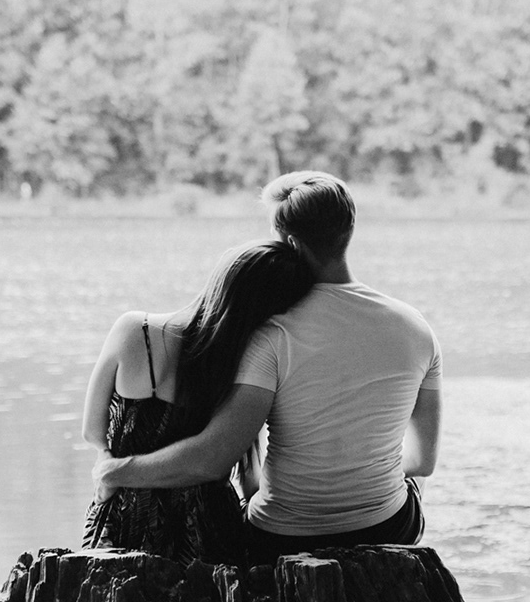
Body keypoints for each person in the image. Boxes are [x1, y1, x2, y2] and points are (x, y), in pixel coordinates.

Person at [92, 172, 441, 561]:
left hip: (283, 537)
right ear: (349, 229)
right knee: (410, 485)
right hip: (388, 528)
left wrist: (116, 471)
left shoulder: (270, 332)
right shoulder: (416, 327)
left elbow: (214, 459)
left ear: (290, 244)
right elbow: (423, 461)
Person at [80, 239, 314, 562]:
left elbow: (92, 431)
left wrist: (108, 467)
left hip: (122, 527)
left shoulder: (133, 330)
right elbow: (248, 479)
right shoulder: (244, 370)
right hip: (207, 539)